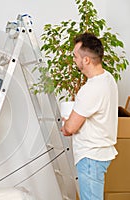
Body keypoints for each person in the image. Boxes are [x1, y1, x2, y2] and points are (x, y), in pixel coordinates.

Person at [61, 33, 118, 200]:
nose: (74, 60)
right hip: (99, 154)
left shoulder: (91, 89)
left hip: (91, 157)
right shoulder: (107, 79)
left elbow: (71, 128)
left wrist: (66, 126)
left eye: (75, 56)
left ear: (86, 60)